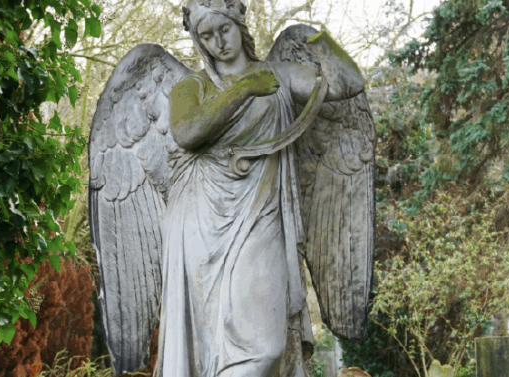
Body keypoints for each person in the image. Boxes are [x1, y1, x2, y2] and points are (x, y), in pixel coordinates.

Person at [155, 1, 365, 375]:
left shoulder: (279, 75)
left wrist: (318, 40)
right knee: (210, 343)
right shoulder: (191, 87)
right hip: (201, 224)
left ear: (239, 25)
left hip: (262, 210)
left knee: (267, 346)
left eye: (224, 29)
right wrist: (244, 90)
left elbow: (348, 83)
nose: (219, 42)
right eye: (206, 35)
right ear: (198, 41)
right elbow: (187, 132)